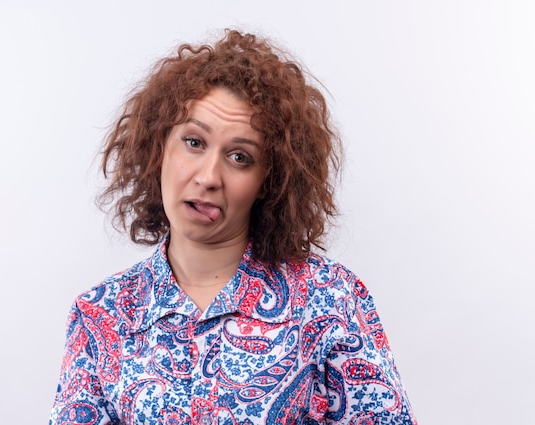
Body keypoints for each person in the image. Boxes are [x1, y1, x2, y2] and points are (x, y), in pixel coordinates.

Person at [49, 29, 417, 425]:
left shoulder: (330, 300)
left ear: (269, 181)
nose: (208, 177)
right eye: (194, 142)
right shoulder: (100, 315)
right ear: (158, 148)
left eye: (240, 157)